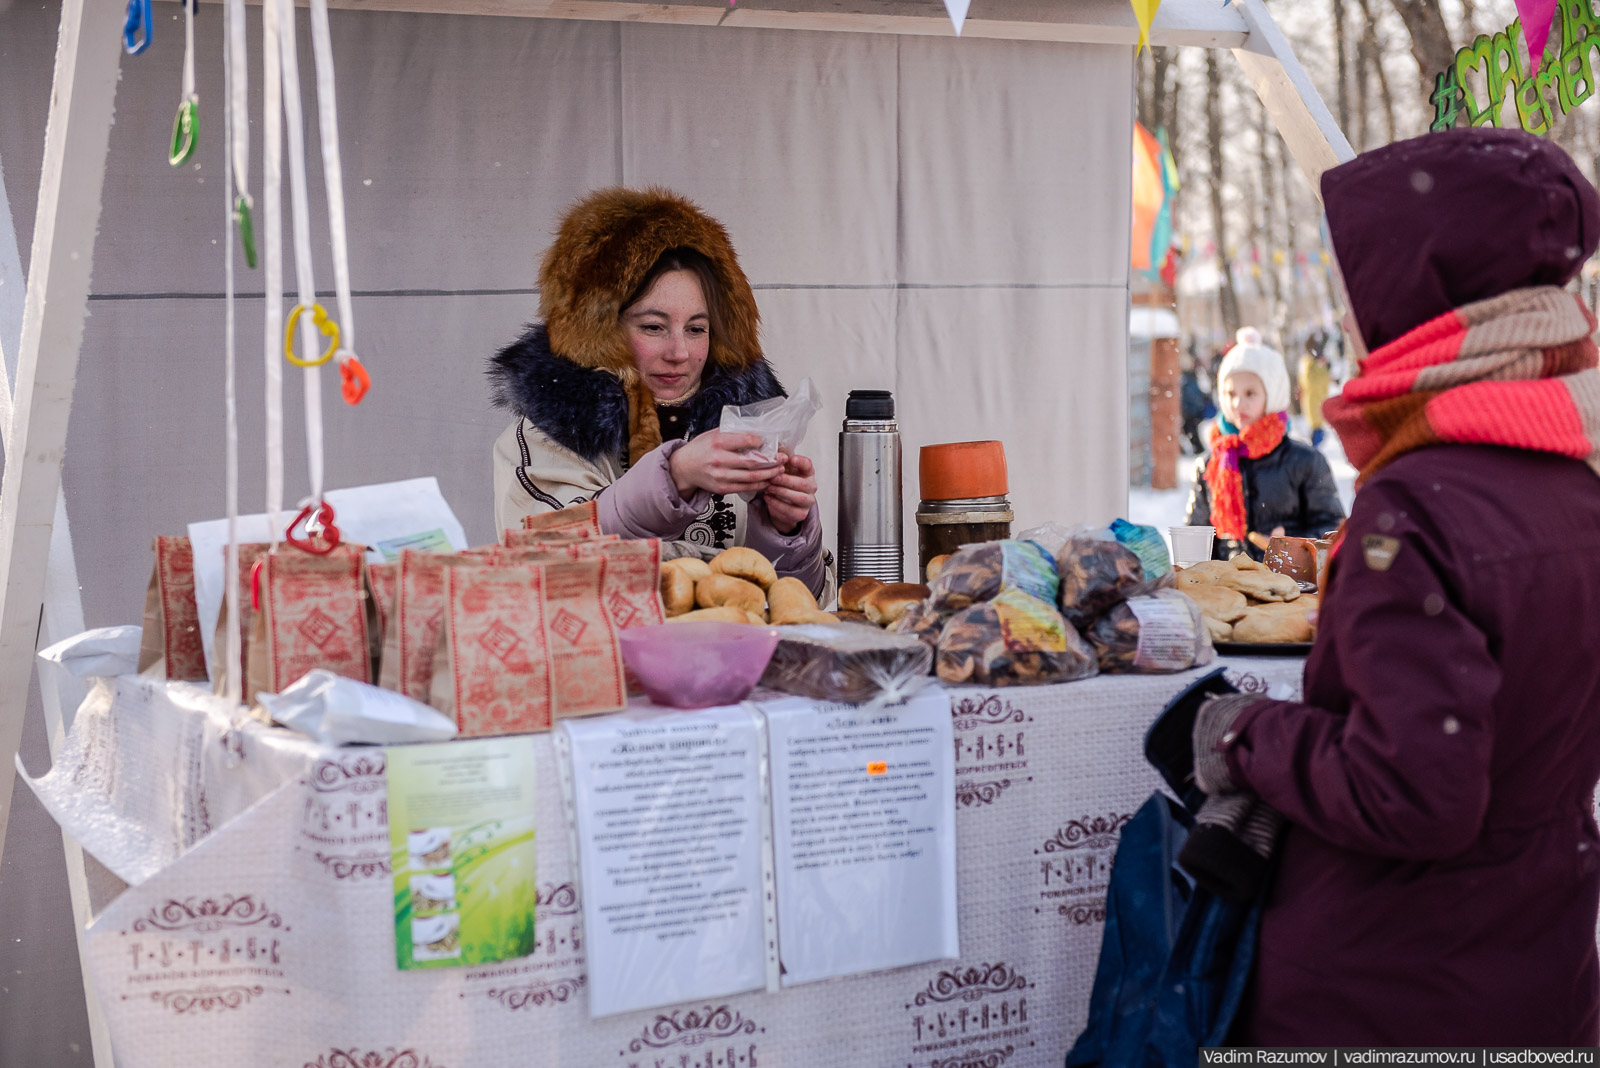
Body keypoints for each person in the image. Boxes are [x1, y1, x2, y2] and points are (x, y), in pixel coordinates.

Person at [1189, 127, 1600, 1043]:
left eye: (1359, 285)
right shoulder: (1576, 483)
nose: (1350, 314)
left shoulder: (1415, 508)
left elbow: (1410, 792)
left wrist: (1245, 733)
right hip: (1541, 969)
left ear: (1418, 297)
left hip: (1386, 990)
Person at [487, 187, 826, 595]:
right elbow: (539, 564)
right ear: (600, 334)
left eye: (696, 329)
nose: (679, 352)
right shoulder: (542, 441)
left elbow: (802, 605)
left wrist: (784, 530)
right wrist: (675, 476)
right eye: (653, 327)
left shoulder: (746, 435)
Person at [1183, 326, 1344, 560]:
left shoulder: (1305, 461)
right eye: (1230, 394)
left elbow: (1333, 531)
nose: (1238, 403)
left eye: (1250, 393)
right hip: (1227, 582)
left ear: (1272, 394)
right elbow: (1195, 540)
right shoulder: (1209, 465)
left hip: (1288, 580)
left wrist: (1291, 545)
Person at [1297, 342, 1331, 449]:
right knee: (1316, 426)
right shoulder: (1311, 366)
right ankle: (1315, 446)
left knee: (1316, 426)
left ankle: (1315, 445)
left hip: (1316, 399)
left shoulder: (1307, 364)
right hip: (1313, 400)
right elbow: (1315, 382)